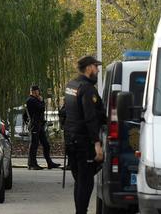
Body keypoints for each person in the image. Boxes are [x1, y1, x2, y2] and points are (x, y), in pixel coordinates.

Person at [63, 56, 106, 214]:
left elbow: (64, 113)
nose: (98, 70)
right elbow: (90, 118)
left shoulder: (71, 86)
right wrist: (97, 144)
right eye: (96, 66)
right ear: (89, 68)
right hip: (83, 142)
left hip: (71, 140)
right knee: (86, 182)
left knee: (79, 180)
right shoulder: (87, 89)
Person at [26, 85, 60, 170]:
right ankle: (32, 164)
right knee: (34, 145)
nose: (39, 93)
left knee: (46, 144)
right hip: (35, 126)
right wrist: (41, 101)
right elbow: (41, 108)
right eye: (38, 91)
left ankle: (49, 163)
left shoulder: (35, 100)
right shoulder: (31, 100)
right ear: (34, 91)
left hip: (40, 125)